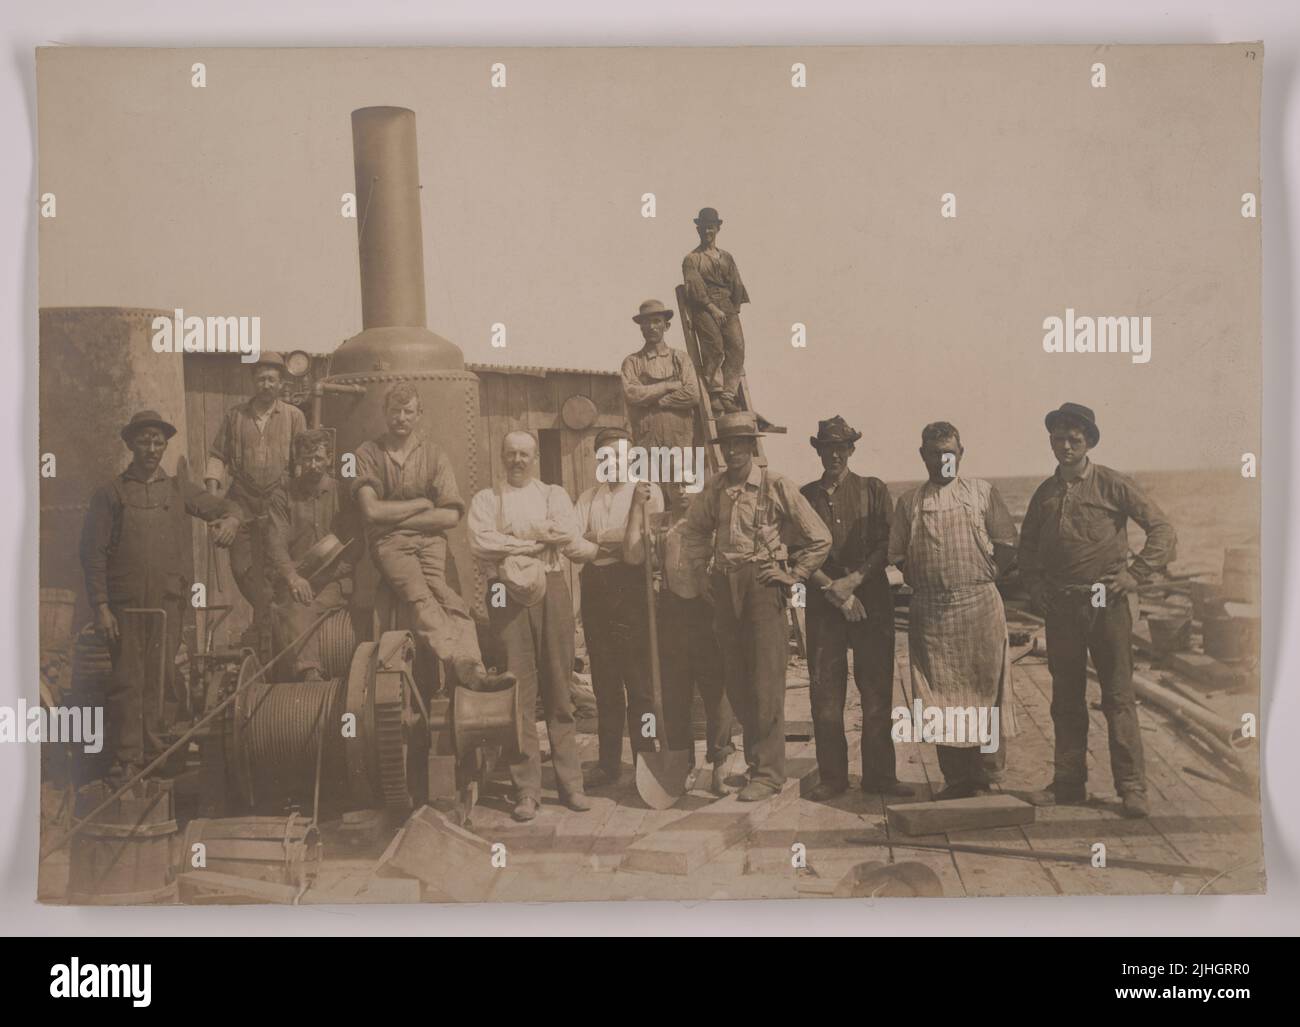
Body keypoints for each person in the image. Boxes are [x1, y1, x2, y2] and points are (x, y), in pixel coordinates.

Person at [1019, 403, 1176, 819]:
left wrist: (1136, 574)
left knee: (1118, 696)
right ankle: (1069, 784)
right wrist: (1035, 586)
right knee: (1065, 698)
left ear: (1088, 441)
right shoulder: (1045, 493)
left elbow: (1162, 529)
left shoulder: (1112, 484)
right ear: (1051, 441)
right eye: (1059, 438)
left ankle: (1131, 788)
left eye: (1074, 438)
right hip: (1062, 605)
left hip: (1107, 600)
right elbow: (1027, 548)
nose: (1066, 446)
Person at [80, 410, 241, 780]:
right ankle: (127, 759)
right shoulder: (110, 494)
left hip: (168, 603)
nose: (152, 448)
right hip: (125, 607)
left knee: (163, 676)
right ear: (130, 444)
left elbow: (226, 507)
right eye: (144, 440)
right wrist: (102, 607)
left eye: (158, 441)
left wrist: (231, 520)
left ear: (164, 445)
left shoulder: (178, 489)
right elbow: (93, 555)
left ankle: (157, 756)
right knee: (127, 679)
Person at [679, 412, 831, 801]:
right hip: (724, 586)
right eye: (727, 444)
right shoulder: (714, 490)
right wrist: (699, 574)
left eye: (741, 444)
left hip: (763, 586)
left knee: (765, 682)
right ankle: (753, 764)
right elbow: (693, 531)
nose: (733, 451)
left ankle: (769, 773)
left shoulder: (775, 485)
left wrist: (793, 574)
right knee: (737, 681)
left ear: (752, 446)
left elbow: (819, 538)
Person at [353, 381, 512, 693]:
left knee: (449, 598)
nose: (401, 417)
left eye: (408, 411)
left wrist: (396, 516)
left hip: (430, 542)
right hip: (389, 546)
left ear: (419, 414)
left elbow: (450, 515)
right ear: (384, 413)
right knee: (420, 596)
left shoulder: (435, 455)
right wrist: (420, 504)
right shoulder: (368, 453)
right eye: (394, 411)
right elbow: (370, 512)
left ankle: (475, 669)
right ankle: (460, 663)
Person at [467, 430, 594, 821]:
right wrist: (532, 543)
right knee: (517, 687)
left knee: (559, 685)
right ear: (502, 458)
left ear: (535, 457)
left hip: (551, 586)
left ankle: (571, 785)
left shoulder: (553, 494)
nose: (517, 460)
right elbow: (480, 543)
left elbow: (566, 534)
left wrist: (514, 539)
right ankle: (527, 791)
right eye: (510, 454)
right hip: (504, 593)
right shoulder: (487, 500)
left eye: (524, 454)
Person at [890, 422, 1019, 799]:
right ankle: (956, 778)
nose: (941, 460)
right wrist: (924, 581)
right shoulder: (909, 503)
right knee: (941, 695)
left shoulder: (982, 493)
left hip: (979, 607)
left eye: (948, 453)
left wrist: (989, 575)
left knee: (986, 688)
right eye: (933, 453)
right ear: (923, 456)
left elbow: (1007, 544)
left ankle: (988, 777)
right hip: (931, 613)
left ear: (960, 454)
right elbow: (896, 556)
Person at [800, 416, 907, 801]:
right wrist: (834, 589)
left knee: (877, 693)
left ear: (852, 450)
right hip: (824, 603)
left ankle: (880, 776)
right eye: (828, 447)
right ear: (818, 450)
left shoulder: (873, 490)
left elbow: (885, 545)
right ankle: (833, 778)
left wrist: (854, 582)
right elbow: (798, 552)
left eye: (841, 447)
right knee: (825, 695)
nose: (835, 454)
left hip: (871, 601)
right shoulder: (804, 496)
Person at [624, 479, 738, 796]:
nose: (683, 491)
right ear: (669, 489)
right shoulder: (659, 523)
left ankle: (720, 764)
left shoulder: (714, 522)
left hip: (707, 612)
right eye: (676, 484)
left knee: (716, 692)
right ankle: (682, 763)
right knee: (674, 694)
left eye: (690, 484)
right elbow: (633, 556)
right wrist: (636, 507)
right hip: (672, 614)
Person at [571, 426, 665, 788]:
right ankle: (608, 763)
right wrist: (613, 543)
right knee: (605, 684)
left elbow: (644, 544)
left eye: (623, 455)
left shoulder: (646, 492)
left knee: (640, 685)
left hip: (634, 590)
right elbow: (572, 540)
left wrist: (601, 543)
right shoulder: (587, 498)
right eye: (607, 456)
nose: (615, 462)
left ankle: (646, 760)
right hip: (596, 591)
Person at [205, 353, 306, 626]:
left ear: (281, 383)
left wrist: (295, 502)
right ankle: (267, 612)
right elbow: (217, 457)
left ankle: (274, 622)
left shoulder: (294, 416)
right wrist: (213, 499)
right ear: (253, 381)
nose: (266, 384)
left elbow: (301, 463)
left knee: (279, 564)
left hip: (279, 501)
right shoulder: (235, 416)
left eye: (271, 379)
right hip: (241, 501)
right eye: (261, 379)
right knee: (241, 567)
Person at [265, 429, 355, 681]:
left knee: (301, 607)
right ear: (297, 461)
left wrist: (328, 574)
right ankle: (310, 672)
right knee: (296, 602)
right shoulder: (282, 496)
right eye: (306, 459)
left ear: (329, 459)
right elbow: (276, 545)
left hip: (332, 582)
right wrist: (293, 577)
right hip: (296, 580)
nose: (312, 465)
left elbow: (355, 546)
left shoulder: (342, 494)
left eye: (318, 458)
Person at [682, 207, 750, 416]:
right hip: (704, 306)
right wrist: (712, 308)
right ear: (698, 229)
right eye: (703, 228)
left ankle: (728, 394)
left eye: (711, 228)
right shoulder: (692, 259)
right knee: (715, 346)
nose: (707, 232)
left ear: (718, 228)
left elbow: (736, 284)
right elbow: (695, 289)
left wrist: (734, 309)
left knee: (737, 348)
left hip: (727, 306)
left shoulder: (727, 257)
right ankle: (715, 391)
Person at [620, 299, 701, 452]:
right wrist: (668, 386)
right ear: (641, 328)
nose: (651, 327)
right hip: (646, 443)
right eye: (646, 322)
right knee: (647, 476)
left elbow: (692, 395)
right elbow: (632, 394)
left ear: (666, 326)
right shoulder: (632, 362)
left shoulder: (680, 358)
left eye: (657, 321)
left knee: (682, 476)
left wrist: (658, 401)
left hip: (680, 442)